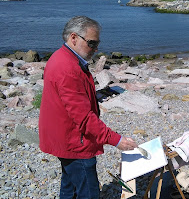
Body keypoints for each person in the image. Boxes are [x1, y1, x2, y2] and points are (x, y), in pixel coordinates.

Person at [39, 16, 138, 199]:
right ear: (73, 38)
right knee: (88, 192)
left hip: (65, 137)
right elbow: (83, 118)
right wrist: (117, 140)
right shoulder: (67, 68)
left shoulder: (63, 58)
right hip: (75, 141)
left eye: (97, 44)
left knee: (70, 187)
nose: (95, 49)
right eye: (91, 43)